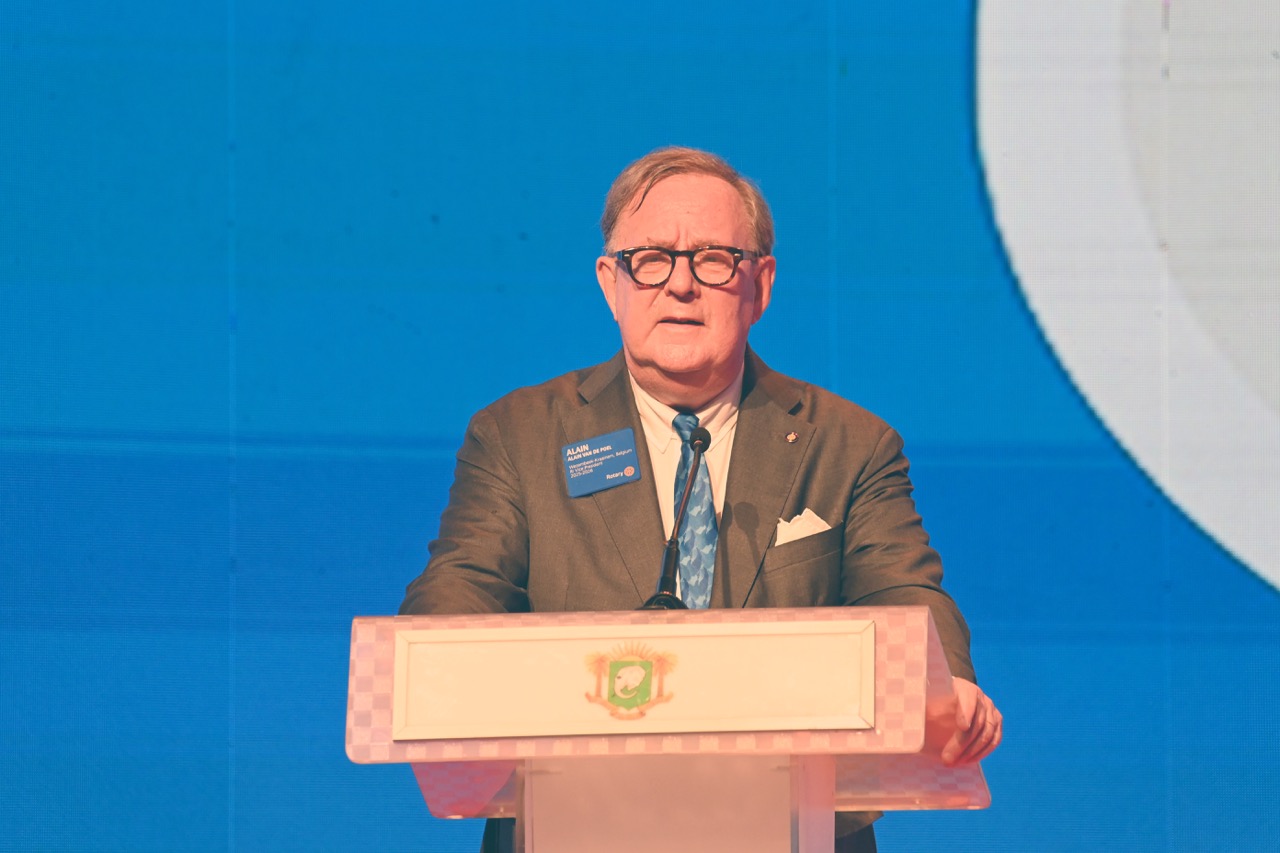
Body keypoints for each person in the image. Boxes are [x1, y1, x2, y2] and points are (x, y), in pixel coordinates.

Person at [400, 146, 1002, 852]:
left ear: (760, 285)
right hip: (572, 822)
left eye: (713, 259)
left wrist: (945, 685)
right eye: (651, 259)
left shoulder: (848, 445)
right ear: (611, 284)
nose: (680, 285)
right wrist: (427, 668)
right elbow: (464, 583)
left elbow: (903, 590)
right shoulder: (520, 436)